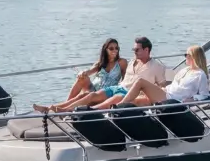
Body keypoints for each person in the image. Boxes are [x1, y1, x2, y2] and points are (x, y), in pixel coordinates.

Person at [34, 36, 166, 113]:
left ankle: (67, 111)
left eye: (136, 49)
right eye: (133, 49)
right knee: (90, 95)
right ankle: (54, 107)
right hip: (117, 88)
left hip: (128, 94)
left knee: (101, 103)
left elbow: (162, 87)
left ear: (146, 50)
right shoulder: (132, 62)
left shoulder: (157, 67)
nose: (134, 52)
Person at [114, 44, 210, 107]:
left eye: (187, 55)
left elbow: (204, 95)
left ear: (194, 57)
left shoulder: (200, 75)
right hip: (166, 92)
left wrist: (193, 99)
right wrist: (162, 88)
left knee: (140, 81)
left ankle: (118, 107)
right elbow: (175, 86)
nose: (185, 56)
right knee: (137, 101)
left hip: (171, 98)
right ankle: (118, 112)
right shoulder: (185, 70)